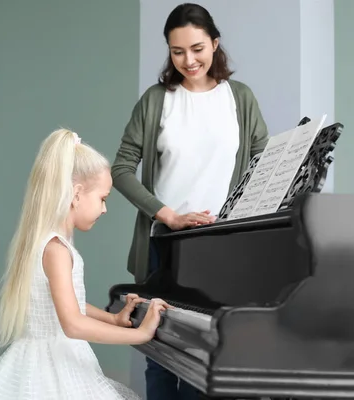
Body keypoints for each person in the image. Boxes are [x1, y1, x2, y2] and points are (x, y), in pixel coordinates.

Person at [0, 129, 170, 400]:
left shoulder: (48, 242)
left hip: (46, 358)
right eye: (103, 198)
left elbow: (66, 303)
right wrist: (141, 335)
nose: (104, 209)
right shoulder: (56, 250)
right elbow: (73, 324)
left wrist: (111, 318)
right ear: (77, 194)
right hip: (51, 368)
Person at [111, 3, 270, 400]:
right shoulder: (156, 100)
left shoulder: (240, 98)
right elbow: (121, 170)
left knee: (209, 356)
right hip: (162, 243)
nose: (189, 60)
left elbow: (263, 165)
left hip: (222, 246)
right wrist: (168, 216)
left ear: (215, 44)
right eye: (177, 51)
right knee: (160, 354)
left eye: (197, 48)